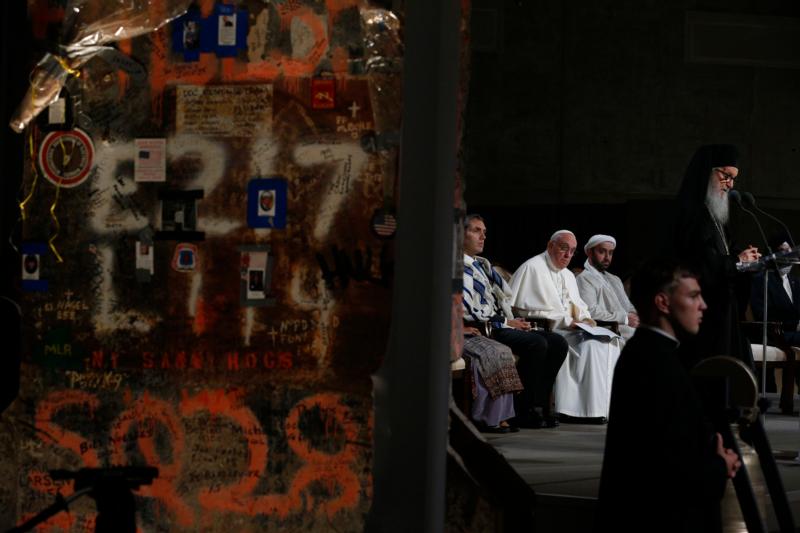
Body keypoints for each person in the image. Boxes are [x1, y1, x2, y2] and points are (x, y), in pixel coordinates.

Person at [596, 258, 741, 533]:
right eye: (693, 296)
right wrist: (720, 466)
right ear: (663, 302)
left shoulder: (652, 353)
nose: (703, 305)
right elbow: (667, 466)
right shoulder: (656, 363)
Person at [462, 215, 568, 428]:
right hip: (487, 328)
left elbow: (500, 299)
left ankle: (538, 405)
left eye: (484, 232)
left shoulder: (482, 265)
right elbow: (471, 311)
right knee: (537, 343)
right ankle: (522, 409)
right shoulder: (457, 266)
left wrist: (512, 320)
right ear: (460, 233)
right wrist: (506, 323)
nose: (483, 236)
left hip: (500, 321)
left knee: (558, 343)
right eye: (476, 230)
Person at [508, 230, 622, 422]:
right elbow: (522, 310)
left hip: (571, 329)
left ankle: (600, 410)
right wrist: (569, 322)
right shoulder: (532, 268)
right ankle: (573, 411)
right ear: (550, 246)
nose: (568, 255)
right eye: (563, 249)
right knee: (591, 348)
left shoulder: (568, 275)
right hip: (548, 330)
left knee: (606, 343)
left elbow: (580, 306)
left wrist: (586, 320)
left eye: (572, 251)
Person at [673, 144, 760, 369]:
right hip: (700, 311)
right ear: (707, 172)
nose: (730, 185)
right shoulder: (692, 213)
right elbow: (699, 263)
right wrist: (738, 261)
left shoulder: (716, 216)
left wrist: (747, 261)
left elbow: (726, 255)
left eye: (733, 179)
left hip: (723, 309)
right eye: (725, 176)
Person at [576, 234, 639, 340]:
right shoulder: (584, 279)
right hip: (609, 327)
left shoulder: (615, 279)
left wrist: (634, 315)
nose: (607, 257)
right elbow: (591, 312)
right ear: (589, 252)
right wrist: (625, 318)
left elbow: (628, 306)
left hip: (626, 324)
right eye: (602, 252)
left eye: (610, 253)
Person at [461, 330, 524, 433]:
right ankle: (489, 418)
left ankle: (503, 416)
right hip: (454, 337)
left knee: (504, 350)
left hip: (469, 336)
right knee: (489, 355)